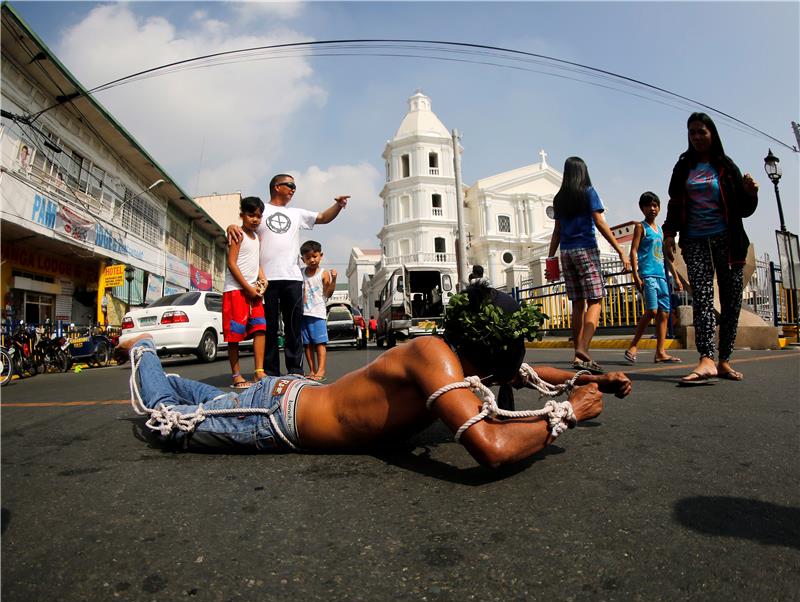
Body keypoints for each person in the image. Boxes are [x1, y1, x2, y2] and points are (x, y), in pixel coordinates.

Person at [125, 283, 632, 468]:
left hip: (284, 396)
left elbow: (526, 374)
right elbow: (491, 449)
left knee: (196, 401)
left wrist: (590, 380)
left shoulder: (454, 358)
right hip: (272, 417)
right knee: (160, 420)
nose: (510, 374)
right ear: (482, 350)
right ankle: (146, 349)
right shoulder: (435, 358)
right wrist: (568, 412)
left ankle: (182, 384)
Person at [663, 113, 759, 385]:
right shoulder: (683, 167)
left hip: (728, 241)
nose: (696, 137)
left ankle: (724, 359)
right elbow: (674, 202)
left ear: (712, 134)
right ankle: (706, 359)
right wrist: (669, 233)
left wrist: (751, 193)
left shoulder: (726, 166)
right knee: (703, 299)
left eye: (701, 132)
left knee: (731, 302)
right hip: (694, 241)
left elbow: (743, 208)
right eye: (692, 132)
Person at [227, 174, 350, 377]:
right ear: (277, 187)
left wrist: (338, 205)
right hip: (266, 281)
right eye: (290, 185)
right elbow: (245, 226)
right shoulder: (262, 211)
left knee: (293, 326)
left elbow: (322, 218)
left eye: (295, 186)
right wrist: (231, 226)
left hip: (293, 279)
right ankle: (270, 371)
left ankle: (295, 370)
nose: (294, 189)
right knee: (269, 328)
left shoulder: (296, 213)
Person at [546, 156, 630, 374]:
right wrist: (621, 250)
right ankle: (583, 348)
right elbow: (600, 222)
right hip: (585, 250)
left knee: (577, 304)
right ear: (583, 171)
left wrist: (550, 258)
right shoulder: (588, 191)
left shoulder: (559, 198)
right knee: (596, 299)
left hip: (566, 253)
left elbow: (556, 231)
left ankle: (577, 355)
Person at [624, 192, 683, 364]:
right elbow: (634, 250)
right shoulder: (641, 227)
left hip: (662, 276)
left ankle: (660, 352)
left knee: (664, 313)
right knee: (652, 311)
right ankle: (633, 346)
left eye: (655, 205)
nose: (652, 208)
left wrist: (677, 278)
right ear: (642, 208)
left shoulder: (661, 231)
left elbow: (666, 256)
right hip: (648, 274)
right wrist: (635, 274)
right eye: (648, 205)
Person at [223, 197, 268, 388]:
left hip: (254, 293)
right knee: (235, 335)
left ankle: (259, 371)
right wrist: (247, 288)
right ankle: (236, 375)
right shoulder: (237, 234)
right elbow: (231, 264)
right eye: (251, 215)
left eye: (258, 216)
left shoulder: (257, 237)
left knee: (260, 328)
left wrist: (262, 279)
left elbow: (255, 262)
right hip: (236, 291)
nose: (255, 219)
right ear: (242, 215)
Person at [300, 240, 336, 382]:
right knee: (307, 344)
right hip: (303, 313)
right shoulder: (300, 272)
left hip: (318, 313)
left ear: (321, 255)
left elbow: (328, 293)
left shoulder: (323, 273)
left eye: (314, 256)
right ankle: (312, 370)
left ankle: (321, 369)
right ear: (303, 259)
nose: (312, 260)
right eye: (308, 258)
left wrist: (334, 280)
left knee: (319, 343)